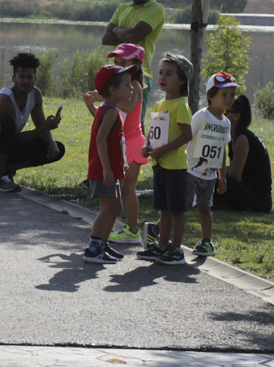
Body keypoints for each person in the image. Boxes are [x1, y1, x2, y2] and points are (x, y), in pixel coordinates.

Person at [0, 52, 64, 192]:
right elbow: (13, 139)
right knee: (7, 124)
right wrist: (45, 128)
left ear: (35, 79)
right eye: (21, 77)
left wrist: (51, 142)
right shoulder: (4, 100)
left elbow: (40, 124)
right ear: (13, 78)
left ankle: (8, 169)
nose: (25, 81)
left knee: (58, 148)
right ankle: (0, 177)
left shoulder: (35, 94)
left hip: (6, 146)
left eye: (29, 77)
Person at [137, 53, 193, 266]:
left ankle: (176, 250)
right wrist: (147, 146)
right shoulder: (160, 104)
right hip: (159, 164)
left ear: (181, 80)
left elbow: (187, 135)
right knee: (164, 208)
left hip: (175, 166)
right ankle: (161, 246)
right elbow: (155, 132)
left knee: (177, 209)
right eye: (160, 73)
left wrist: (164, 151)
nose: (162, 77)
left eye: (168, 74)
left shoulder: (181, 105)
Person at [93, 44, 148, 245]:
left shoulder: (134, 87)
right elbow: (105, 121)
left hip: (133, 142)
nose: (117, 65)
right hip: (123, 142)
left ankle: (133, 230)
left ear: (135, 65)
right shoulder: (120, 86)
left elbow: (130, 106)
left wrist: (105, 96)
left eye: (123, 63)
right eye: (115, 62)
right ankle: (128, 228)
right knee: (124, 188)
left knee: (128, 188)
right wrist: (96, 103)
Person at [83, 64, 135, 264]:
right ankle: (93, 248)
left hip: (111, 168)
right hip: (103, 170)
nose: (131, 89)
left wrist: (120, 163)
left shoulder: (107, 110)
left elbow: (101, 121)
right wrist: (106, 168)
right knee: (107, 209)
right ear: (113, 90)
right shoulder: (111, 112)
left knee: (115, 208)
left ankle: (102, 244)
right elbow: (100, 140)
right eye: (127, 85)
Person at [102, 0, 165, 121]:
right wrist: (127, 34)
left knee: (136, 122)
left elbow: (134, 35)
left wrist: (116, 29)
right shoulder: (123, 8)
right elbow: (105, 39)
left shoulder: (156, 10)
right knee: (113, 119)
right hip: (116, 74)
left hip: (140, 75)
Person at [184, 73, 236, 257]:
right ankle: (161, 233)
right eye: (224, 94)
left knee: (204, 207)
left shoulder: (226, 123)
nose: (229, 99)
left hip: (210, 175)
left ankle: (207, 242)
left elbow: (221, 150)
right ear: (210, 96)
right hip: (190, 170)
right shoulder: (202, 116)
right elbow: (186, 137)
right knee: (185, 204)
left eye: (232, 94)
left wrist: (222, 177)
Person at [213, 95, 273, 213]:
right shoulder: (234, 138)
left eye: (225, 112)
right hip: (249, 191)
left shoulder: (242, 139)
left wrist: (215, 171)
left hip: (258, 200)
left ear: (236, 116)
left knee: (214, 178)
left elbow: (235, 175)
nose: (222, 115)